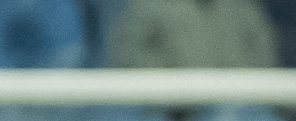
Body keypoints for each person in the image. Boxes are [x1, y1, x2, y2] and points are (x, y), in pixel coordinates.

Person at [107, 0, 279, 69]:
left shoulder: (241, 6)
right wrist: (170, 76)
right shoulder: (150, 5)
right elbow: (128, 51)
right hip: (172, 115)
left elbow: (264, 45)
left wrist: (243, 78)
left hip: (238, 108)